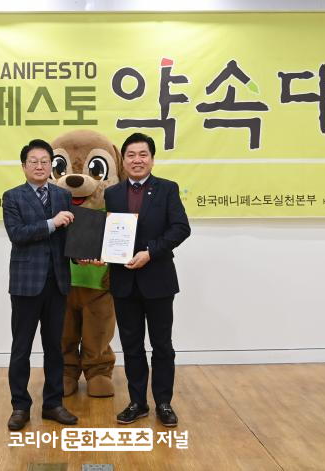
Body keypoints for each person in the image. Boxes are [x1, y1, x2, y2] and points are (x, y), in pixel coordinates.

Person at [103, 132, 191, 427]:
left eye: (143, 154)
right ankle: (137, 402)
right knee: (131, 346)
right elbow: (109, 234)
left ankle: (163, 402)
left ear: (152, 159)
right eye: (131, 155)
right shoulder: (113, 194)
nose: (137, 160)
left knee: (162, 345)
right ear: (123, 161)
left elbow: (180, 228)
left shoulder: (167, 189)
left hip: (158, 279)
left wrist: (150, 252)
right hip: (123, 280)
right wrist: (100, 253)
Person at [2, 138, 78, 431]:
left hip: (58, 282)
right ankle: (20, 406)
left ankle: (53, 404)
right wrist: (52, 223)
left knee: (54, 347)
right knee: (21, 348)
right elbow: (17, 234)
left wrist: (82, 255)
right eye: (33, 161)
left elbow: (69, 237)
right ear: (24, 166)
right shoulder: (12, 197)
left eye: (45, 161)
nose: (39, 166)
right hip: (26, 284)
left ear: (51, 165)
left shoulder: (63, 195)